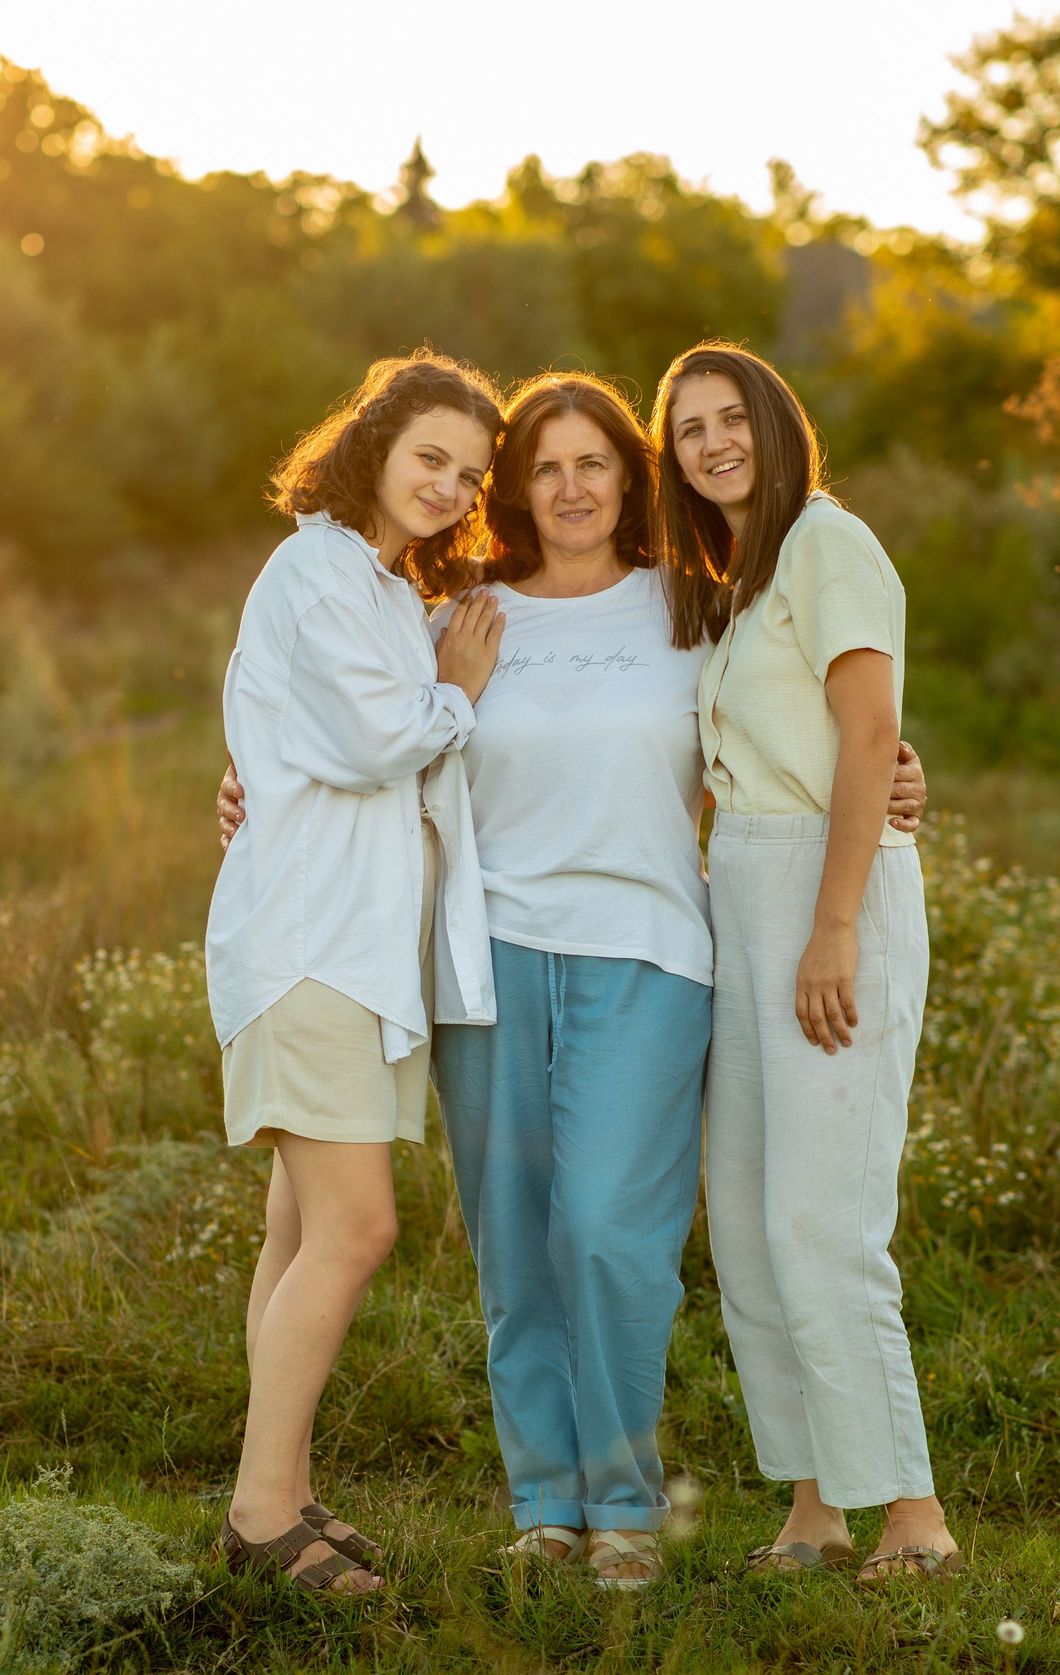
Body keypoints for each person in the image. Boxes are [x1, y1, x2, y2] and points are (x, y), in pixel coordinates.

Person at [217, 369, 928, 1589]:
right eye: (542, 467)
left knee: (612, 1235)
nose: (570, 486)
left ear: (628, 478)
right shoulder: (459, 613)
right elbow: (351, 716)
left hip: (652, 953)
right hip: (484, 960)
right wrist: (244, 784)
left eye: (593, 462)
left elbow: (793, 720)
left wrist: (902, 774)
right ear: (514, 493)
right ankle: (547, 1505)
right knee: (517, 1247)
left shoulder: (690, 605)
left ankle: (625, 1509)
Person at [654, 341, 959, 1583]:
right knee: (749, 1223)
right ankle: (814, 1505)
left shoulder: (832, 543)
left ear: (778, 426)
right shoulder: (733, 580)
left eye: (733, 418)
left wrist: (834, 925)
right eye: (688, 430)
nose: (714, 442)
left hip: (829, 892)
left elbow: (869, 732)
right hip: (744, 890)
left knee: (822, 1220)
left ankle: (914, 1519)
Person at [204, 350, 507, 1596]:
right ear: (374, 442)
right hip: (310, 941)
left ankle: (283, 1484)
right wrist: (458, 690)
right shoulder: (321, 568)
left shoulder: (383, 587)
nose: (447, 484)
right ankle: (260, 1514)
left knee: (298, 1228)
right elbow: (382, 739)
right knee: (356, 1225)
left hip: (359, 950)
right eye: (429, 456)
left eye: (470, 473)